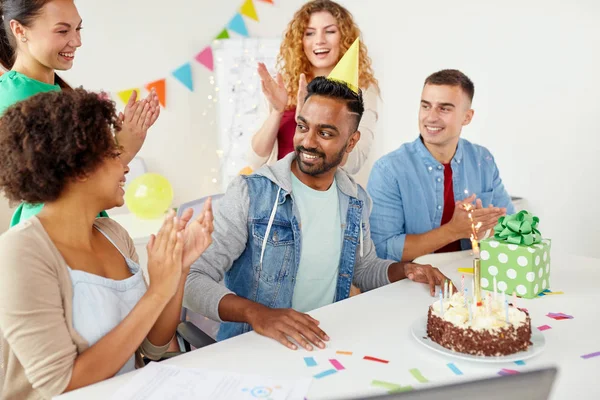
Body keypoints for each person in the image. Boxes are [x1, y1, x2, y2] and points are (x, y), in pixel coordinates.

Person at [185, 77, 451, 351]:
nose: (307, 142)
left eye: (325, 133)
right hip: (253, 347)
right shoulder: (251, 193)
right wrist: (258, 314)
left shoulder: (355, 199)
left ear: (351, 142)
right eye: (303, 127)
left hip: (323, 342)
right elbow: (193, 281)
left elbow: (364, 268)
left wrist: (404, 270)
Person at [0, 89, 213, 399]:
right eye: (114, 154)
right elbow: (61, 384)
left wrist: (176, 272)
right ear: (79, 168)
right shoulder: (19, 253)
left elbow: (152, 347)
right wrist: (156, 292)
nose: (125, 166)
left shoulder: (114, 234)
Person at [0, 0, 160, 226]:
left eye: (78, 29)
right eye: (63, 30)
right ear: (19, 30)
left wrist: (119, 144)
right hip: (54, 233)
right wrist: (124, 148)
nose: (77, 41)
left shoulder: (54, 91)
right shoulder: (15, 98)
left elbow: (75, 171)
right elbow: (61, 190)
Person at [367, 69, 515, 262]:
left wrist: (483, 234)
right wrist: (453, 231)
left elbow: (511, 227)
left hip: (467, 280)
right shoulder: (388, 170)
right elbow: (382, 249)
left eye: (444, 108)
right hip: (408, 287)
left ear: (467, 117)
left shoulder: (482, 161)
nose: (431, 117)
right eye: (426, 106)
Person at [248, 0, 379, 179]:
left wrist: (309, 121)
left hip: (325, 195)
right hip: (277, 193)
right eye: (309, 33)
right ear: (300, 40)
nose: (319, 40)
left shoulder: (361, 88)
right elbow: (255, 160)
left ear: (344, 37)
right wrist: (277, 113)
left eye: (330, 31)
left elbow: (355, 162)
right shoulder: (282, 84)